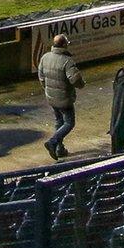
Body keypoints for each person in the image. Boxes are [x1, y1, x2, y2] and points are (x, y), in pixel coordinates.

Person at [37, 33, 83, 161]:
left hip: (51, 97)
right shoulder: (67, 61)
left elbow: (41, 77)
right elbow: (75, 80)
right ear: (64, 44)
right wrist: (81, 84)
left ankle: (59, 149)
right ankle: (53, 142)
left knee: (59, 122)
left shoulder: (45, 57)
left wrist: (47, 90)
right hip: (64, 99)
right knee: (69, 123)